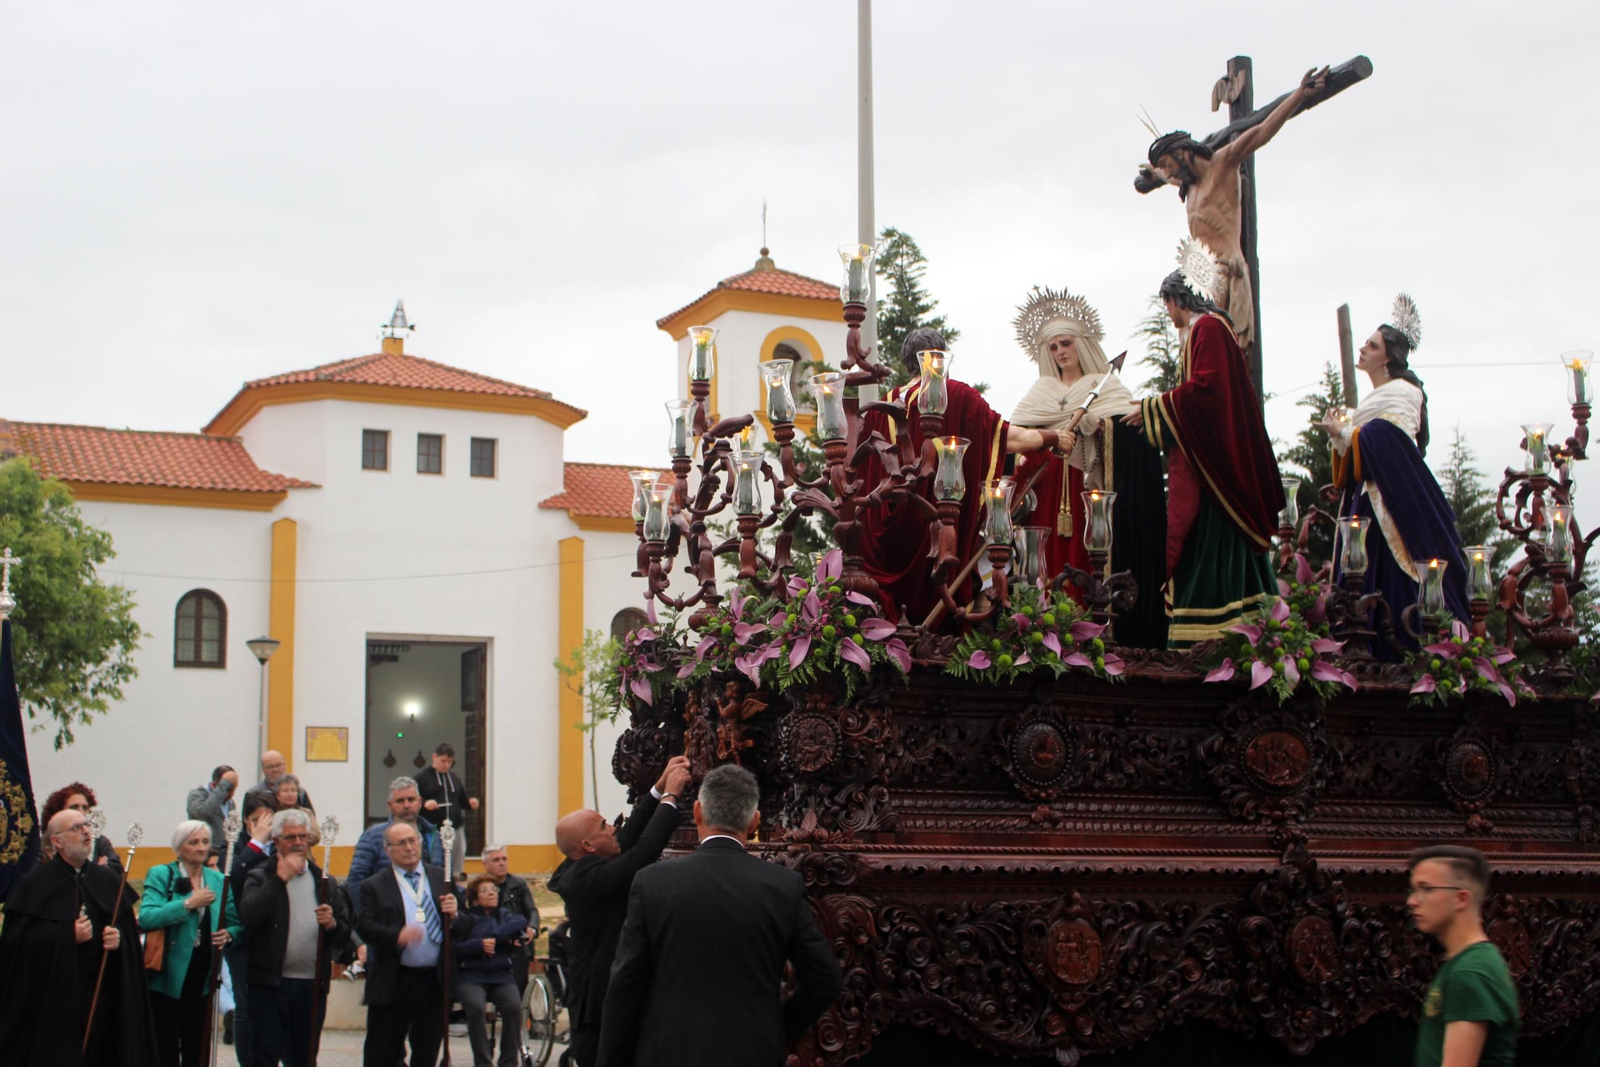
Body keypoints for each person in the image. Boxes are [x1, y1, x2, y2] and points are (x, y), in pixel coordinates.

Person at [597, 764, 844, 1067]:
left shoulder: (652, 883)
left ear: (698, 812)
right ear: (754, 822)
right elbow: (826, 979)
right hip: (753, 1050)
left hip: (669, 1051)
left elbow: (624, 986)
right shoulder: (783, 886)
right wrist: (778, 1027)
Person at [855, 327, 1067, 626]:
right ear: (941, 359)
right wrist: (1054, 437)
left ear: (907, 362)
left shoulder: (883, 406)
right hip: (938, 528)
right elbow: (1011, 439)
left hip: (889, 543)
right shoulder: (956, 394)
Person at [1125, 269, 1284, 647]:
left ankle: (1214, 640)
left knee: (1213, 545)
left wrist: (1153, 407)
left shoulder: (1207, 328)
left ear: (1179, 298)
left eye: (1167, 302)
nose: (1167, 311)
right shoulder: (1207, 331)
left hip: (1217, 475)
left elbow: (1208, 393)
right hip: (1214, 463)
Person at [1008, 285, 1168, 647]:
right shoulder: (1039, 394)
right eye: (1053, 347)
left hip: (1088, 490)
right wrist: (1043, 437)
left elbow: (1130, 434)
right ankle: (1041, 630)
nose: (1060, 352)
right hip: (1047, 491)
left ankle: (1091, 631)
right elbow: (1018, 438)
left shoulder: (1104, 387)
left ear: (1081, 344)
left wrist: (1097, 427)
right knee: (1043, 557)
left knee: (1088, 554)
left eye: (1066, 343)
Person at [1141, 65, 1329, 349]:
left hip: (1226, 271)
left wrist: (1299, 95)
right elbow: (1167, 177)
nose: (1170, 174)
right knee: (1193, 349)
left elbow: (1262, 132)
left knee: (1218, 346)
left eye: (1168, 165)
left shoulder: (1222, 164)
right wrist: (1154, 174)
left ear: (1182, 153)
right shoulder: (1188, 187)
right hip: (1198, 277)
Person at [1323, 296, 1470, 655]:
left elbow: (1391, 444)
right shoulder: (1378, 399)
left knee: (1388, 572)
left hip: (1389, 502)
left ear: (1388, 357)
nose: (1363, 349)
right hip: (1366, 499)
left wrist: (1345, 434)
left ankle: (1394, 649)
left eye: (1372, 346)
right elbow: (1364, 451)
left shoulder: (1404, 393)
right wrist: (1343, 436)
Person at [549, 754, 692, 1066]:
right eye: (604, 825)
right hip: (596, 1008)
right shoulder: (584, 880)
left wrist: (657, 786)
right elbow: (640, 854)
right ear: (587, 845)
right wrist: (671, 797)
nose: (614, 828)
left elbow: (627, 838)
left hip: (610, 996)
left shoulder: (587, 860)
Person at [0, 809, 159, 1066]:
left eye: (87, 826)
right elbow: (16, 948)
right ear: (57, 842)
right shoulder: (33, 885)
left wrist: (119, 941)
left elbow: (128, 933)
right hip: (54, 1008)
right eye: (76, 828)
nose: (86, 831)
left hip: (104, 1004)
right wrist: (65, 936)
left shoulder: (107, 879)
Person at [240, 808, 350, 1067]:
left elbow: (344, 936)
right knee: (265, 1057)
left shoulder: (323, 881)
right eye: (290, 837)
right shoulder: (260, 876)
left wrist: (332, 924)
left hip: (311, 987)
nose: (298, 843)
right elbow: (250, 917)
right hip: (270, 985)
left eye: (303, 836)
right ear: (276, 841)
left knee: (304, 1057)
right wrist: (280, 879)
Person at [356, 820, 460, 1067]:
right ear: (388, 850)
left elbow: (466, 925)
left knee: (427, 1050)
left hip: (432, 981)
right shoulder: (374, 885)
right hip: (394, 979)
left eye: (413, 841)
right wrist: (395, 935)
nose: (409, 847)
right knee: (384, 1052)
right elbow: (365, 927)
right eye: (400, 843)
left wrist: (456, 915)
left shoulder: (440, 877)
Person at [141, 819, 243, 1067]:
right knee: (165, 1047)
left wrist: (228, 934)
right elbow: (146, 917)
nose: (201, 847)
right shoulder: (162, 874)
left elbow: (235, 922)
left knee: (197, 1049)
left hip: (203, 977)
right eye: (193, 842)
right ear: (179, 847)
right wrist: (188, 903)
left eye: (205, 842)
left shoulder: (218, 880)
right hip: (167, 976)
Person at [1407, 845, 1519, 1066]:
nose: (1412, 900)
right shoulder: (1466, 963)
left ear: (1461, 898)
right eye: (1413, 890)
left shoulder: (1471, 973)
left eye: (1426, 889)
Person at [453, 874, 530, 1067]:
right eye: (485, 891)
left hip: (501, 975)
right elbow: (454, 949)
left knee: (513, 1007)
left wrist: (495, 937)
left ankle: (508, 1061)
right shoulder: (467, 919)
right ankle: (483, 1061)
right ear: (475, 898)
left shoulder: (503, 915)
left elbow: (520, 921)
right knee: (476, 1007)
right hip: (472, 975)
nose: (492, 894)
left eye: (494, 890)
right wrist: (478, 945)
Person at [225, 790, 279, 1067]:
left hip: (276, 937)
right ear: (248, 821)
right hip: (244, 939)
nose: (267, 827)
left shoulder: (283, 845)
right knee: (245, 1006)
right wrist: (256, 842)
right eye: (259, 820)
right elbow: (232, 877)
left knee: (273, 1006)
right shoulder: (236, 844)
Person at [347, 776, 444, 911]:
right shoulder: (372, 836)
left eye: (411, 800)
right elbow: (356, 879)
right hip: (387, 916)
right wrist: (367, 920)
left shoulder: (435, 836)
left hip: (430, 915)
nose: (406, 805)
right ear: (390, 805)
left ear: (420, 802)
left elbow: (445, 877)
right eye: (400, 801)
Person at [480, 844, 539, 999]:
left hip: (519, 943)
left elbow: (531, 910)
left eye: (504, 859)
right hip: (494, 941)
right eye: (496, 860)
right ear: (485, 864)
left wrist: (531, 929)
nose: (502, 863)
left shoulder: (519, 884)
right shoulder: (480, 888)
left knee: (519, 981)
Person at [416, 742, 478, 876]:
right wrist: (425, 803)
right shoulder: (422, 778)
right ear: (434, 757)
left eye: (450, 762)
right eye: (443, 761)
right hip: (433, 829)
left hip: (455, 827)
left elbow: (462, 801)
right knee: (436, 860)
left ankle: (456, 880)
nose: (446, 765)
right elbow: (413, 799)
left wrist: (470, 803)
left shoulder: (454, 778)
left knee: (456, 860)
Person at [38, 780, 123, 875]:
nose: (81, 812)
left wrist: (98, 870)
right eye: (74, 807)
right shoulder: (45, 843)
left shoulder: (99, 842)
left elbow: (116, 870)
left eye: (85, 807)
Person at [186, 765, 238, 860]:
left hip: (224, 855)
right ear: (215, 785)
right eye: (229, 789)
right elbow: (202, 813)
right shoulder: (197, 795)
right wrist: (223, 787)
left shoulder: (230, 803)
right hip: (204, 854)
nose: (231, 793)